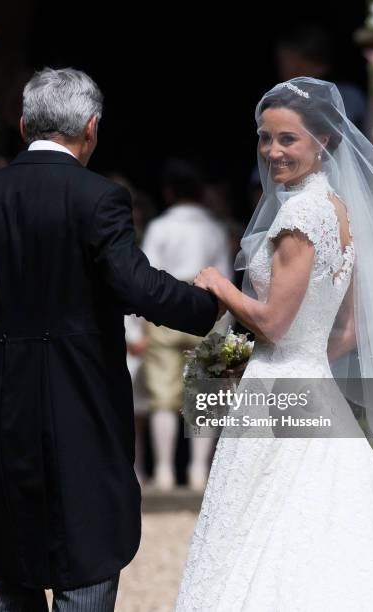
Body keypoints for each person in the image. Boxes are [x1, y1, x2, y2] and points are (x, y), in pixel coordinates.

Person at [0, 67, 221, 612]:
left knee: (8, 565)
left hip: (1, 407)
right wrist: (212, 305)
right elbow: (136, 285)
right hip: (83, 402)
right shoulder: (100, 197)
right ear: (91, 128)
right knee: (87, 558)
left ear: (23, 125)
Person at [175, 77, 373, 610]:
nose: (272, 151)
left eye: (287, 139)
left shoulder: (297, 217)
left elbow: (272, 321)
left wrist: (219, 284)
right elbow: (350, 328)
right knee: (320, 514)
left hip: (278, 390)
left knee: (259, 522)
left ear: (324, 142)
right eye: (264, 138)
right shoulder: (340, 211)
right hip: (311, 385)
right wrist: (309, 359)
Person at [142, 159, 232, 492]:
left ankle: (164, 471)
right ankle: (197, 472)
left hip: (165, 310)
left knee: (162, 394)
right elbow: (223, 279)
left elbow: (145, 278)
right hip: (207, 310)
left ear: (168, 192)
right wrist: (227, 325)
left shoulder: (159, 227)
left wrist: (137, 325)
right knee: (205, 394)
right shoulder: (214, 228)